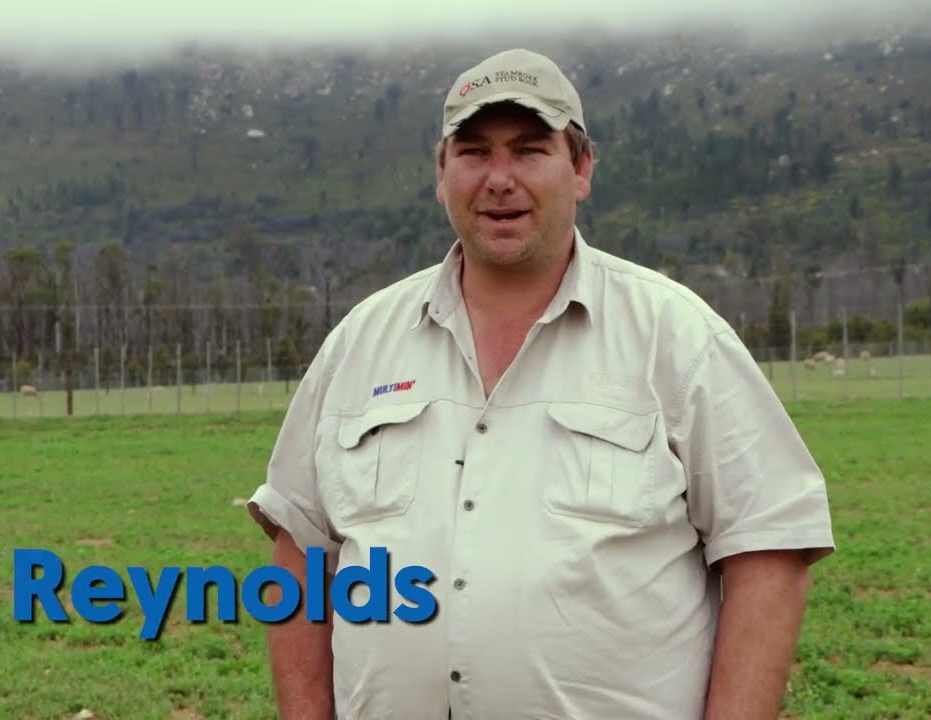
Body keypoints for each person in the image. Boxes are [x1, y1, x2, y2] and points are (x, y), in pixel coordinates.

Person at [246, 47, 835, 719]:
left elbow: (769, 546)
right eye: (473, 153)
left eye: (529, 151)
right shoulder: (360, 343)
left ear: (581, 169)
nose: (499, 179)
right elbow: (299, 551)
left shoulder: (676, 337)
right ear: (441, 174)